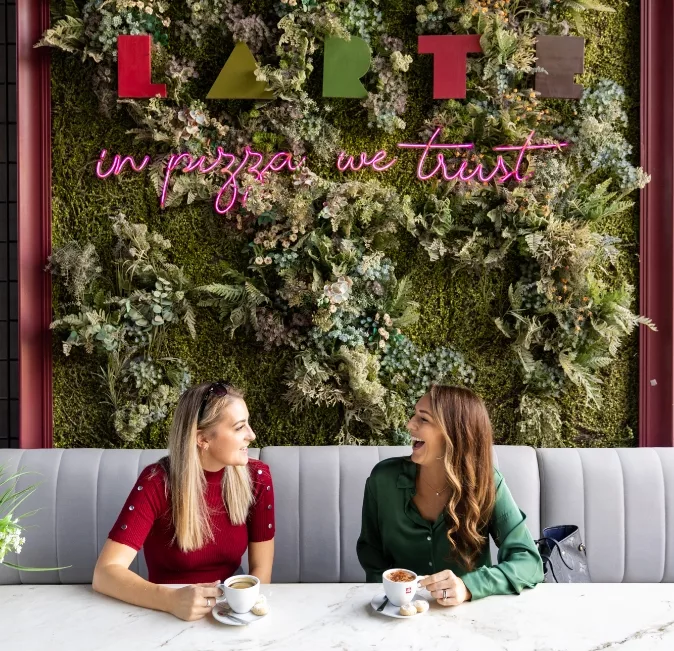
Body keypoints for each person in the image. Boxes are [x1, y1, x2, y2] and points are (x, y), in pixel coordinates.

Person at [92, 381, 275, 621]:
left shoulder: (258, 478)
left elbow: (261, 570)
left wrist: (242, 610)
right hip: (164, 611)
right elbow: (104, 573)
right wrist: (170, 601)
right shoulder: (156, 482)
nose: (251, 435)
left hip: (230, 609)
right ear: (202, 439)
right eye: (239, 427)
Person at [357, 384, 543, 606]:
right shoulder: (383, 480)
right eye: (414, 415)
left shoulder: (488, 483)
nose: (409, 424)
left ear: (454, 433)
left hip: (467, 616)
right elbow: (371, 553)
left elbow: (529, 561)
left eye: (423, 419)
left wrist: (469, 587)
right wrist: (391, 598)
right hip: (396, 615)